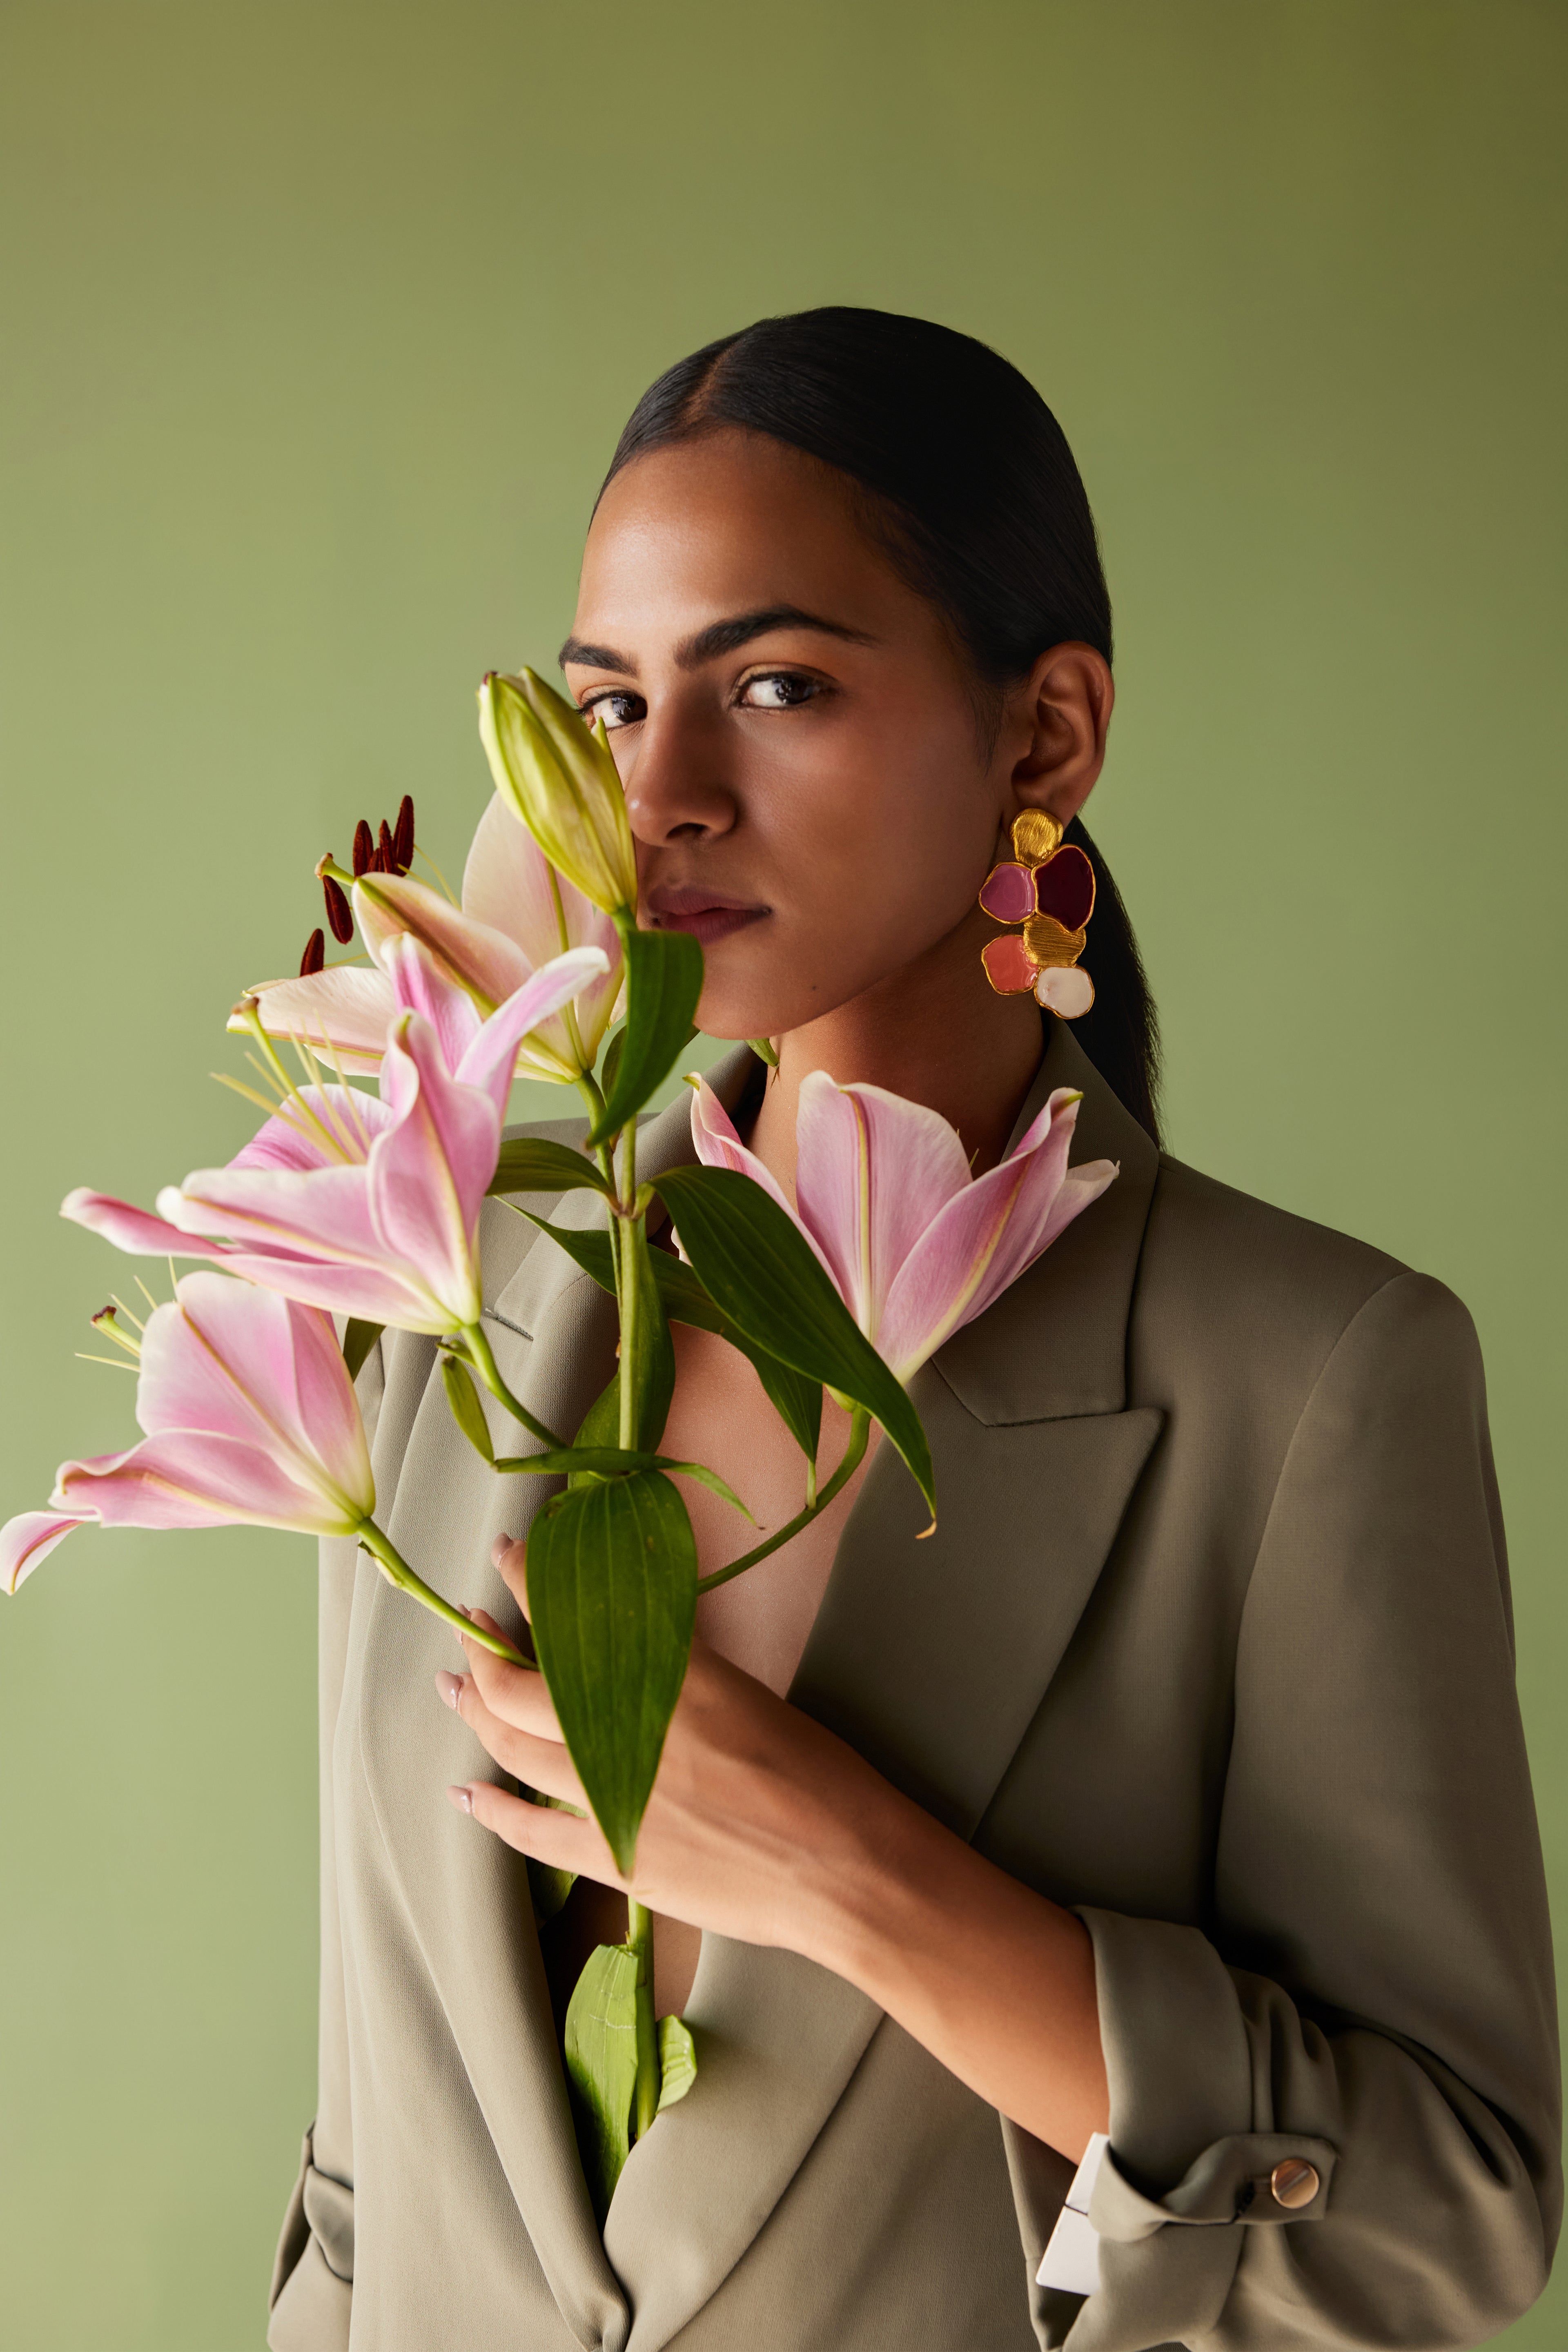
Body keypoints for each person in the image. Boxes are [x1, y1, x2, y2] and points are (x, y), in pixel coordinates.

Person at [266, 309, 1559, 2352]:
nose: (663, 792)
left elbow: (1444, 2227)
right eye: (610, 704)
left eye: (777, 685)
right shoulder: (451, 1317)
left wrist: (854, 1873)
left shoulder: (1310, 1380)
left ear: (1044, 739)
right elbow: (365, 2181)